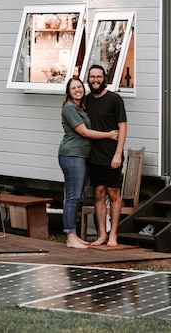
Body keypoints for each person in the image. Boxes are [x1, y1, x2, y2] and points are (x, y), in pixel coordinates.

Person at [58, 77, 119, 249]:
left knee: (75, 196)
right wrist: (109, 135)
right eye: (73, 88)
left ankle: (74, 235)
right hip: (71, 156)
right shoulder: (69, 108)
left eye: (79, 87)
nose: (77, 90)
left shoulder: (80, 107)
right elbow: (84, 132)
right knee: (72, 196)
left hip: (81, 157)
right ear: (68, 92)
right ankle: (70, 236)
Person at [85, 64, 128, 247]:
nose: (95, 80)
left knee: (114, 194)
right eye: (92, 77)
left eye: (99, 77)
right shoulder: (86, 100)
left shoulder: (114, 99)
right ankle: (102, 235)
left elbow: (123, 127)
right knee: (98, 194)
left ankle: (113, 235)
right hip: (93, 156)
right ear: (88, 79)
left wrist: (118, 154)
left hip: (112, 155)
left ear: (105, 79)